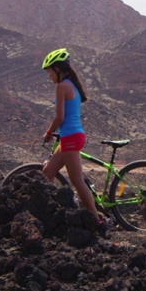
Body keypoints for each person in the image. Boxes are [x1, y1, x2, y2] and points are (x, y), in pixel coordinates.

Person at [39, 49, 105, 227]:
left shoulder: (62, 87)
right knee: (47, 173)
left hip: (70, 138)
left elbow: (59, 117)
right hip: (71, 136)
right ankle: (44, 211)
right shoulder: (72, 84)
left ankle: (97, 220)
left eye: (50, 72)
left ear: (59, 69)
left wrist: (48, 132)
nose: (49, 76)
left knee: (78, 182)